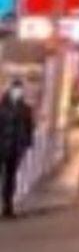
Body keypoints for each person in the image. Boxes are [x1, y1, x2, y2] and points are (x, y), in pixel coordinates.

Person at [0, 79, 35, 217]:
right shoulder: (2, 107)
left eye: (19, 89)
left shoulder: (25, 109)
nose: (17, 92)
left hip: (15, 148)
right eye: (16, 89)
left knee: (10, 178)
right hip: (2, 146)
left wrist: (27, 144)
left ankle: (8, 206)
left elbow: (29, 128)